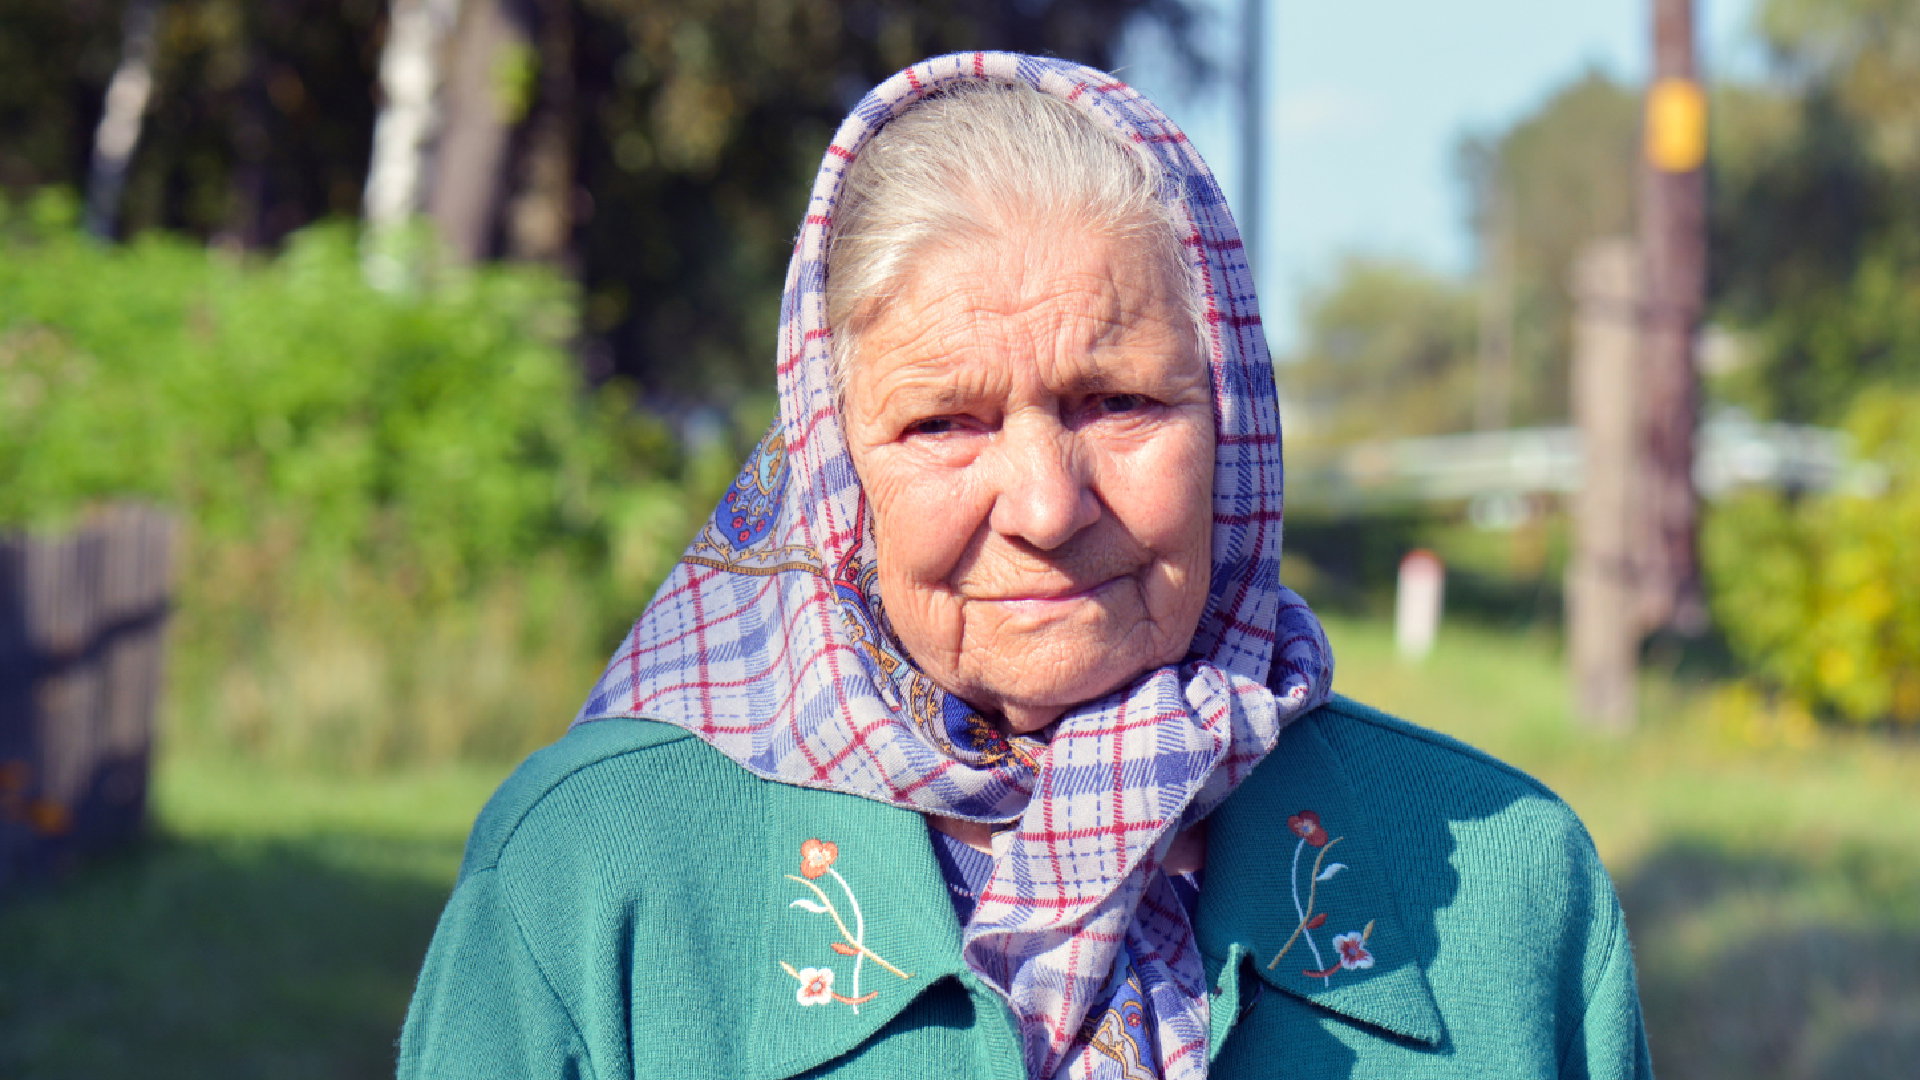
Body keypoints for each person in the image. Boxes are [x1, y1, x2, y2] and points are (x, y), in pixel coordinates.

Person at [398, 52, 1652, 1080]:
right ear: (838, 467)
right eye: (945, 424)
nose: (1047, 508)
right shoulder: (597, 877)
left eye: (1118, 403)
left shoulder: (1507, 887)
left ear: (1231, 426)